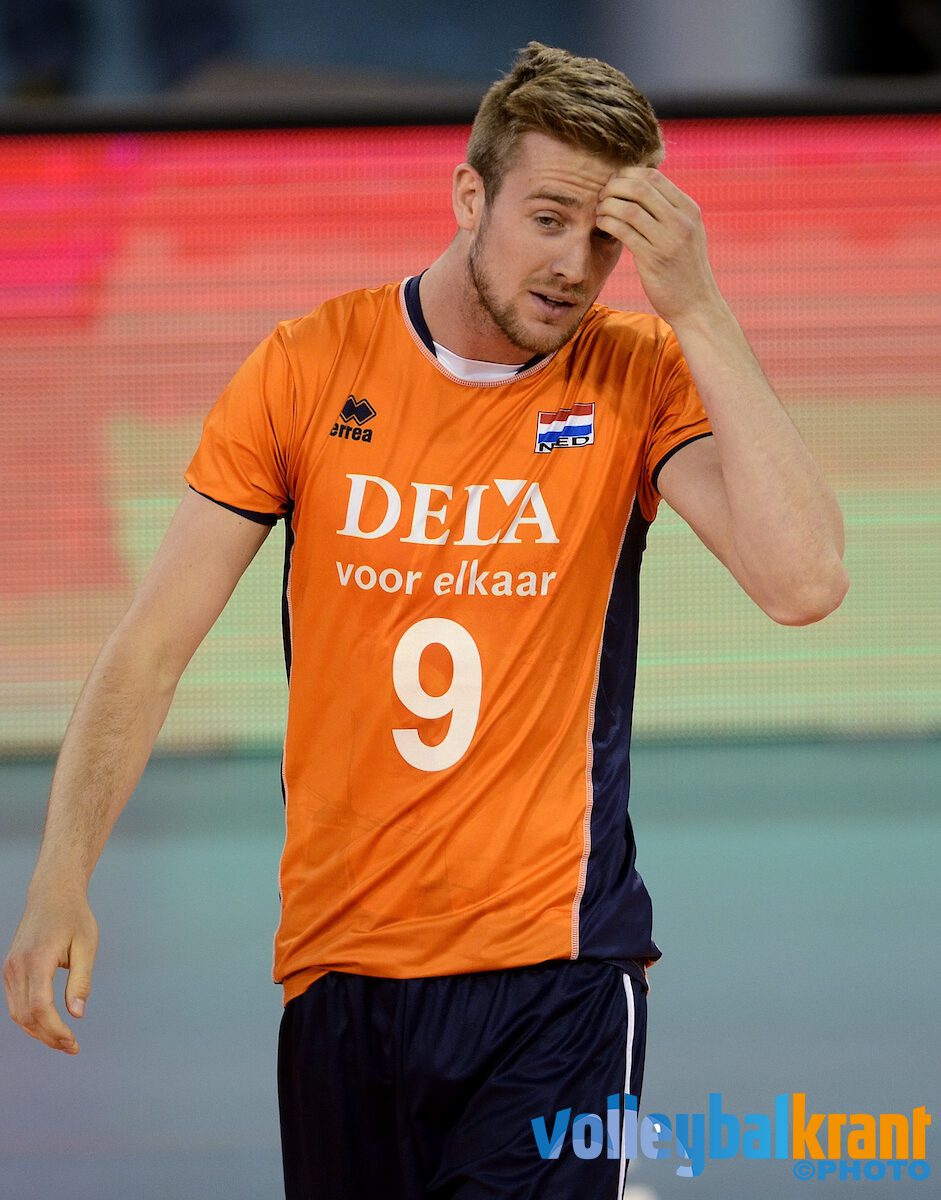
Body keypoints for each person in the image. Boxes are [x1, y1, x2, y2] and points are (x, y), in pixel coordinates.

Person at [3, 42, 848, 1199]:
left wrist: (696, 305)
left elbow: (802, 582)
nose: (573, 265)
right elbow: (149, 648)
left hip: (555, 970)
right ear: (467, 196)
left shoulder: (636, 373)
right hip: (341, 968)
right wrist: (60, 876)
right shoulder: (307, 368)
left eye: (604, 237)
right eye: (546, 219)